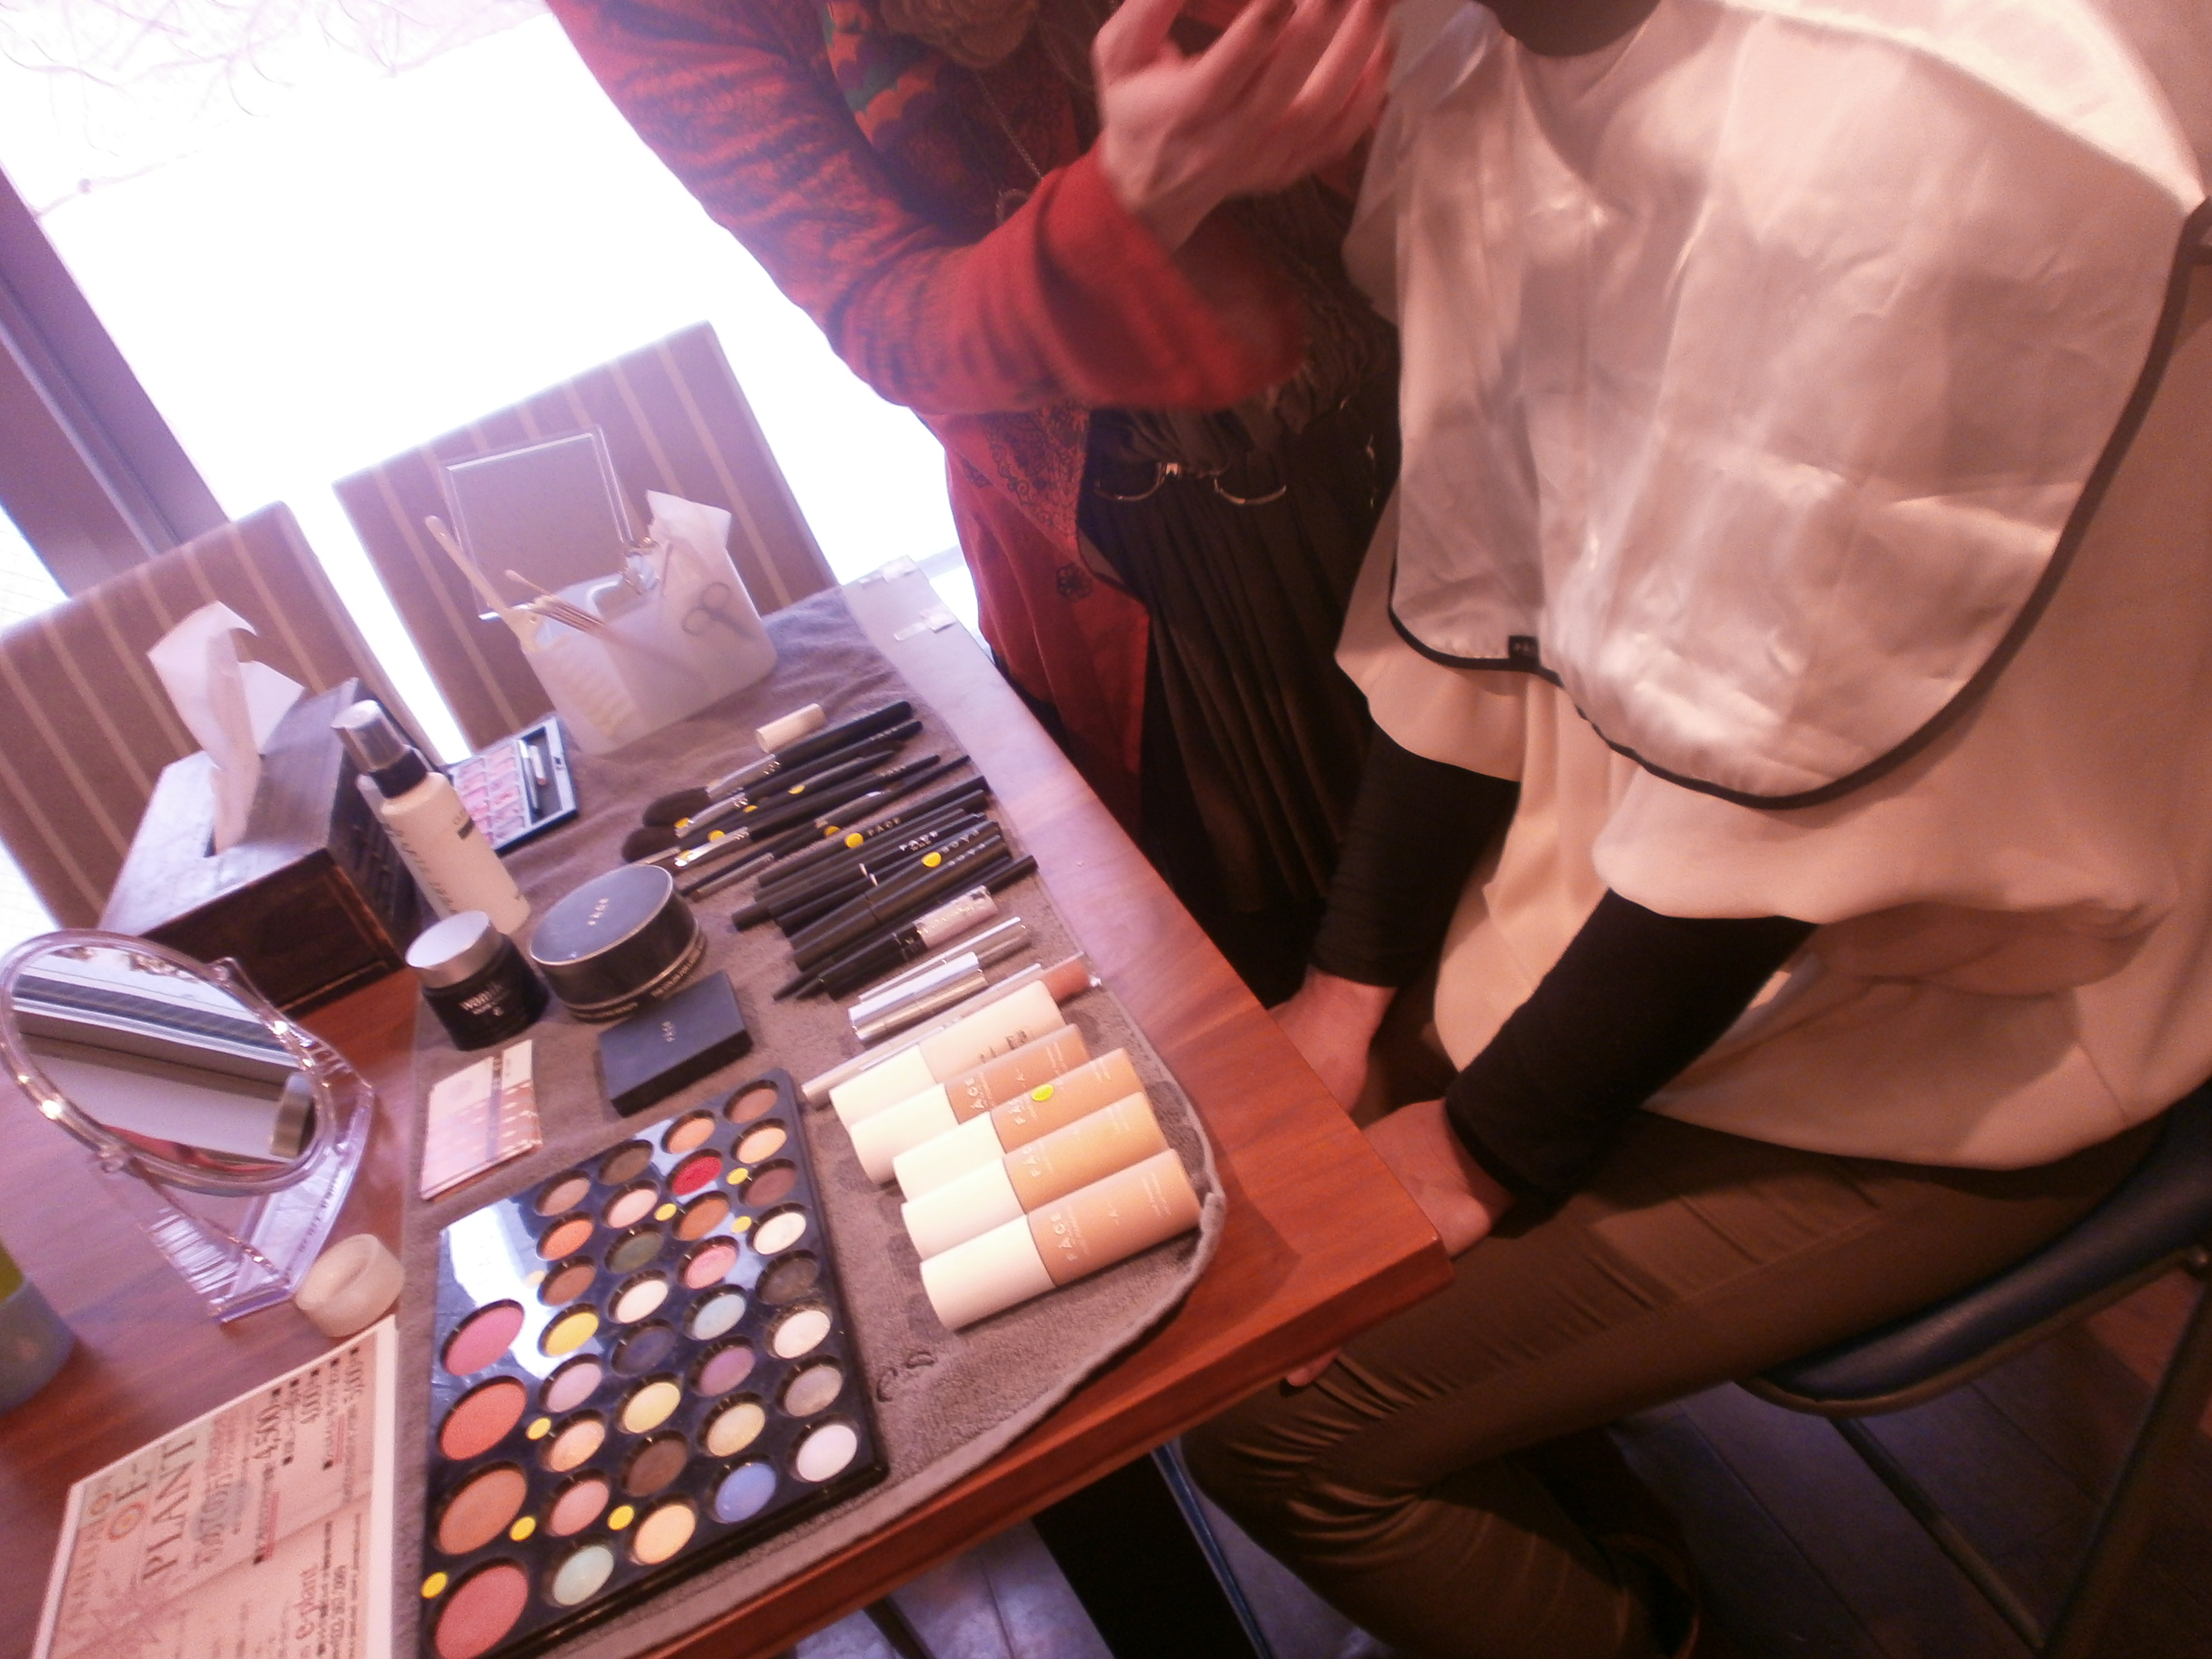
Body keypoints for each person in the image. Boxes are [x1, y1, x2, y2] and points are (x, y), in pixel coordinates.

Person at [1184, 0, 2212, 1654]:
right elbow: (1480, 557)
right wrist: (1348, 985)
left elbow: (1802, 742)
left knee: (1275, 1430)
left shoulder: (1960, 84)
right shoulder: (1479, 61)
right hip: (1619, 937)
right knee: (1268, 1214)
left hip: (1951, 1026)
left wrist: (1487, 1145)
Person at [548, 0, 1403, 997]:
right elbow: (887, 313)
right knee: (1289, 960)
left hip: (1436, 336)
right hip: (1158, 547)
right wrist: (1129, 198)